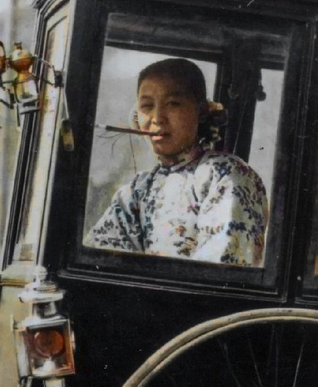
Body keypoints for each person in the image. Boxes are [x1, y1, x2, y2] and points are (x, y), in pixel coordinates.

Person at [85, 58, 268, 266]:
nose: (157, 118)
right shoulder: (137, 190)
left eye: (172, 104)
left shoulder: (227, 175)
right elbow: (98, 260)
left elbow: (221, 270)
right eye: (146, 106)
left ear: (200, 112)